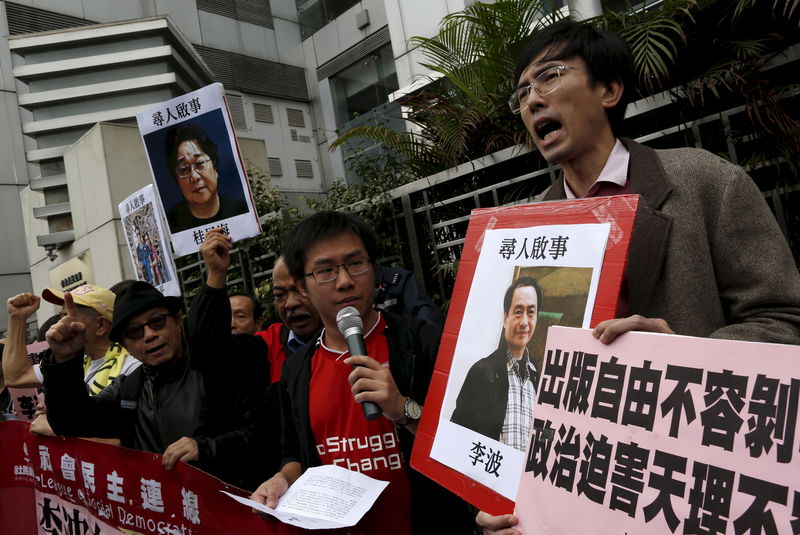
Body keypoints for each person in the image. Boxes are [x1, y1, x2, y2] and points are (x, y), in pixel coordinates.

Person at [478, 18, 800, 534]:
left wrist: (685, 356)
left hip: (690, 490)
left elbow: (785, 319)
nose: (532, 100)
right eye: (522, 92)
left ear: (609, 89)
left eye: (551, 76)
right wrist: (503, 495)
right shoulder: (520, 235)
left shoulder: (706, 182)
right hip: (573, 499)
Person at [250, 210, 473, 534]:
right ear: (302, 285)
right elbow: (295, 454)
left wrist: (404, 409)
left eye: (356, 264)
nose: (344, 281)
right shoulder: (296, 369)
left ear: (373, 268)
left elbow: (470, 446)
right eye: (325, 270)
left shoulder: (422, 342)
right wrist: (281, 479)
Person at [40, 281, 267, 489]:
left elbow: (263, 434)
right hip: (164, 515)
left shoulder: (214, 369)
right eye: (135, 332)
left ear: (177, 320)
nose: (149, 335)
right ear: (125, 345)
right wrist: (65, 361)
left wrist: (206, 448)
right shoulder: (130, 387)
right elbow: (72, 422)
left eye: (157, 322)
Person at [451, 277, 542, 451]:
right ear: (506, 318)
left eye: (531, 312)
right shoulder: (481, 372)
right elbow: (458, 435)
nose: (524, 322)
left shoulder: (539, 373)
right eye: (517, 312)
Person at [3, 285, 140, 394]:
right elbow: (16, 376)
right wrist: (16, 318)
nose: (58, 324)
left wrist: (54, 426)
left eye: (67, 316)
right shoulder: (72, 363)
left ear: (100, 325)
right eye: (61, 316)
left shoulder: (132, 367)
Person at [164, 124, 247, 233]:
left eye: (199, 163)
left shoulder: (242, 211)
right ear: (176, 180)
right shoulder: (169, 226)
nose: (194, 176)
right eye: (184, 169)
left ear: (215, 166)